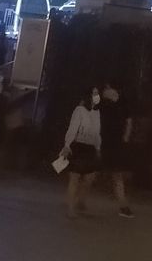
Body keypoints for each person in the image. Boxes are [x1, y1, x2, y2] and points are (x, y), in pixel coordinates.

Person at [62, 87, 102, 218]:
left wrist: (98, 148)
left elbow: (97, 132)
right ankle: (70, 208)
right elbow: (73, 127)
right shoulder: (80, 110)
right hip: (79, 145)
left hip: (90, 147)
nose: (96, 96)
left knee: (89, 178)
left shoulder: (97, 112)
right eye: (94, 93)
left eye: (97, 93)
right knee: (75, 178)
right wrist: (67, 144)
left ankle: (80, 201)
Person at [100, 83, 134, 218]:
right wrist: (125, 137)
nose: (116, 96)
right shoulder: (112, 108)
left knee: (115, 174)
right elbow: (129, 122)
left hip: (110, 144)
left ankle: (123, 205)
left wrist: (125, 137)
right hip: (109, 144)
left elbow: (129, 122)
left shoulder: (110, 108)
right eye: (113, 94)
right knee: (115, 175)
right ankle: (123, 206)